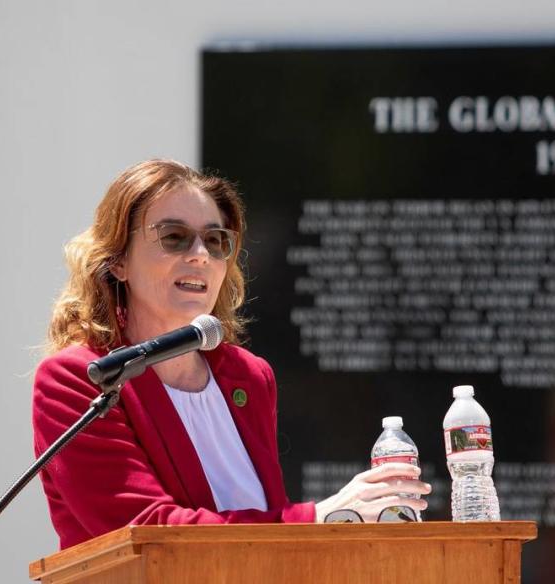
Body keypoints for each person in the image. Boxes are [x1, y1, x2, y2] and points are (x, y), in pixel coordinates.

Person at [32, 159, 430, 549]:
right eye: (174, 236)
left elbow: (262, 521)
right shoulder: (82, 377)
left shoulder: (247, 375)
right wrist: (317, 518)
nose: (200, 254)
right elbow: (144, 532)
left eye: (216, 240)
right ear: (117, 260)